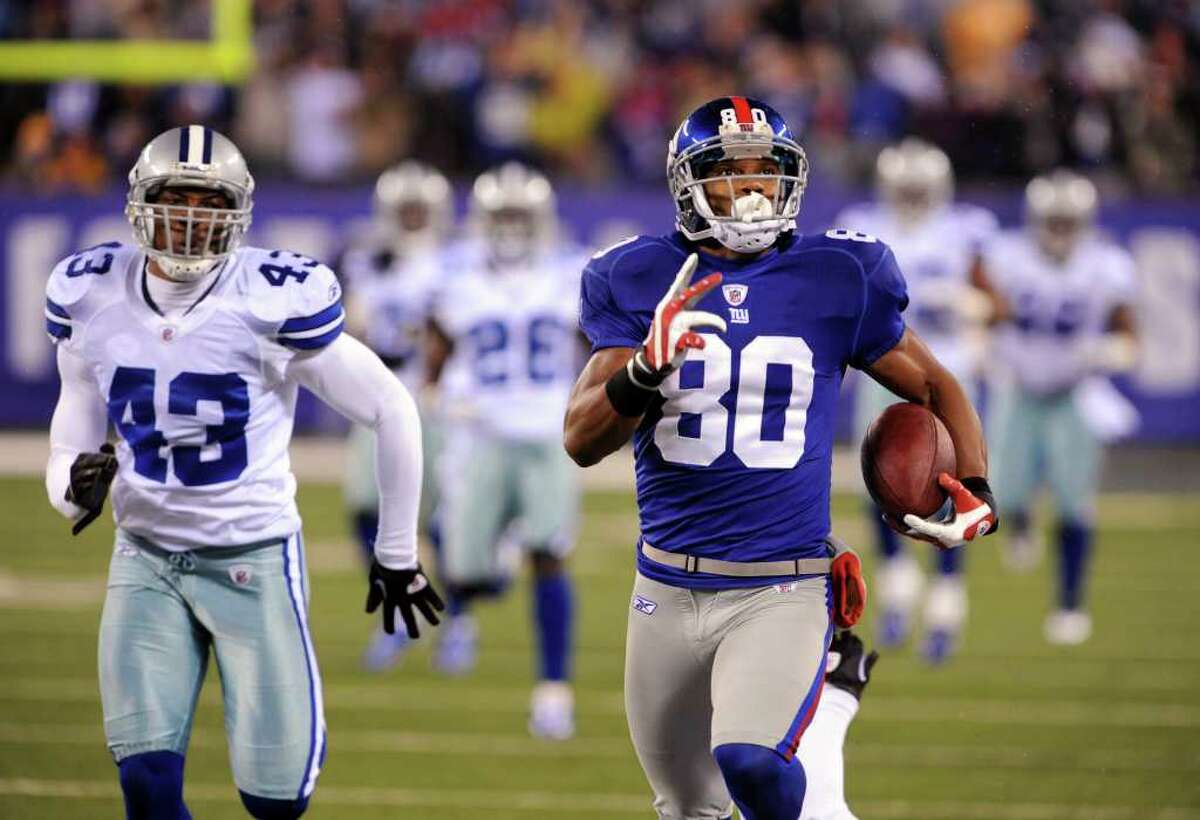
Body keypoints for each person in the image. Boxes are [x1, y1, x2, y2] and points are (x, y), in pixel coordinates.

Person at [563, 96, 998, 820]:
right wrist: (645, 366)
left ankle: (821, 716)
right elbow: (581, 440)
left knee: (752, 761)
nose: (756, 190)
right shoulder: (637, 277)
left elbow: (935, 384)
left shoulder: (839, 274)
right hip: (664, 587)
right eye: (732, 174)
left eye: (769, 172)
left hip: (784, 584)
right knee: (686, 807)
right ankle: (826, 726)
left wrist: (976, 482)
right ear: (688, 186)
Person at [42, 125, 444, 819]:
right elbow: (70, 432)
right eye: (177, 198)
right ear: (141, 202)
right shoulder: (90, 294)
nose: (192, 217)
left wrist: (398, 554)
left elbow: (390, 406)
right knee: (146, 781)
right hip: (145, 559)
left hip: (251, 562)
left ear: (237, 210)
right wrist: (68, 488)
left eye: (208, 201)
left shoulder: (268, 298)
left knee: (276, 801)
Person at [426, 162, 587, 739]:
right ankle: (489, 569)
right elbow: (436, 352)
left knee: (550, 555)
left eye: (522, 216)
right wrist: (441, 395)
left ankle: (553, 692)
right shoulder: (458, 276)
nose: (512, 228)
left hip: (547, 434)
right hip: (484, 433)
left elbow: (600, 346)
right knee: (467, 573)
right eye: (503, 217)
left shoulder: (570, 273)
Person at [836, 138, 999, 663]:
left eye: (919, 189)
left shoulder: (963, 230)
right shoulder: (862, 224)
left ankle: (947, 602)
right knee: (881, 482)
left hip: (945, 372)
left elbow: (996, 302)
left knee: (957, 486)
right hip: (881, 369)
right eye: (903, 188)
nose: (910, 197)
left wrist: (970, 303)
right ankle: (898, 589)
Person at [983, 169, 1138, 645]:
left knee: (1075, 504)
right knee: (1002, 492)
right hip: (1019, 383)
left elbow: (1129, 331)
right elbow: (990, 310)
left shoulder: (1106, 264)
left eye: (1069, 220)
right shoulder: (1007, 256)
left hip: (1075, 390)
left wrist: (1115, 350)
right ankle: (1023, 521)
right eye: (1053, 220)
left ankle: (1070, 604)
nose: (1060, 229)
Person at [337, 160, 454, 671]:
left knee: (443, 516)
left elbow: (449, 332)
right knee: (365, 507)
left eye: (417, 210)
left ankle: (459, 620)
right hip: (377, 395)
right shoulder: (368, 259)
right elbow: (353, 329)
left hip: (431, 399)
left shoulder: (454, 262)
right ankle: (400, 608)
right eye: (403, 210)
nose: (410, 218)